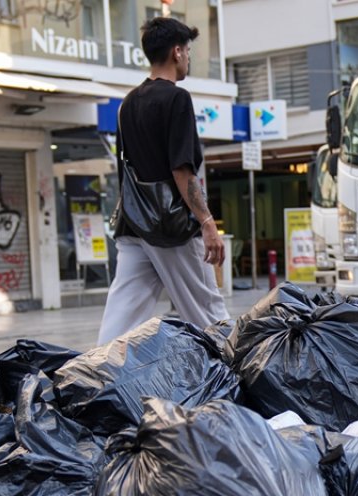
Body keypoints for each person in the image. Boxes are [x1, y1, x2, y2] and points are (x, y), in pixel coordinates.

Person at [96, 18, 227, 346]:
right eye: (188, 51)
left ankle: (93, 380)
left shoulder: (128, 103)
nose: (188, 59)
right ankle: (244, 381)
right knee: (208, 313)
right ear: (177, 52)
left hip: (133, 226)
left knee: (120, 321)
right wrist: (207, 222)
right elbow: (182, 171)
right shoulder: (176, 99)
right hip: (171, 229)